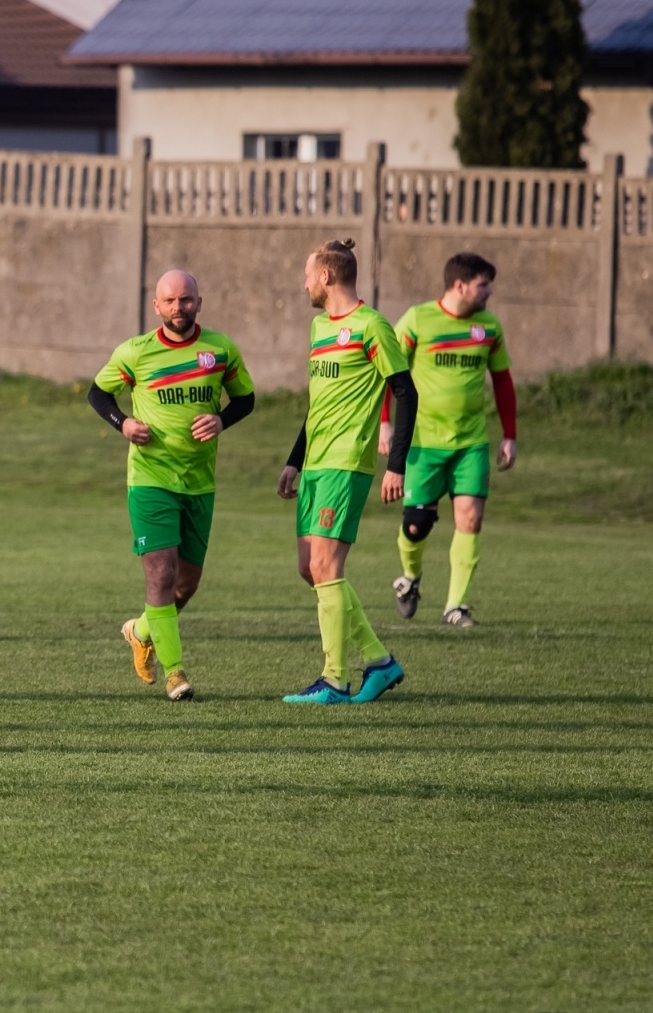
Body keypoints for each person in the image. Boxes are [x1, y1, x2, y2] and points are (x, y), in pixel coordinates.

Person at [89, 270, 255, 700]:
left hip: (199, 483)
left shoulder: (219, 350)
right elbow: (98, 393)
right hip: (150, 480)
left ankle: (141, 630)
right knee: (161, 575)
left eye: (186, 300)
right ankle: (176, 673)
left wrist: (221, 419)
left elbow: (246, 399)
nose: (178, 308)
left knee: (186, 585)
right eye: (170, 301)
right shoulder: (135, 352)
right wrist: (122, 422)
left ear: (200, 302)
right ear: (156, 306)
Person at [277, 239, 418, 704]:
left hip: (346, 463)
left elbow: (405, 392)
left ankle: (334, 680)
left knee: (325, 567)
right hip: (315, 463)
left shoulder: (371, 326)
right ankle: (379, 662)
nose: (303, 283)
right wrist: (294, 460)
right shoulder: (319, 327)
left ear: (326, 276)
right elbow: (318, 403)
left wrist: (395, 466)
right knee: (309, 569)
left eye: (306, 274)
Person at [382, 253, 518, 627]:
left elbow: (503, 381)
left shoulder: (488, 327)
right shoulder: (418, 320)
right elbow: (388, 372)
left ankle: (456, 606)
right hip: (423, 444)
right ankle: (409, 579)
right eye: (483, 284)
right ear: (460, 285)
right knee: (415, 527)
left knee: (470, 518)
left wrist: (509, 435)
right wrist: (384, 424)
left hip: (471, 443)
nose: (489, 292)